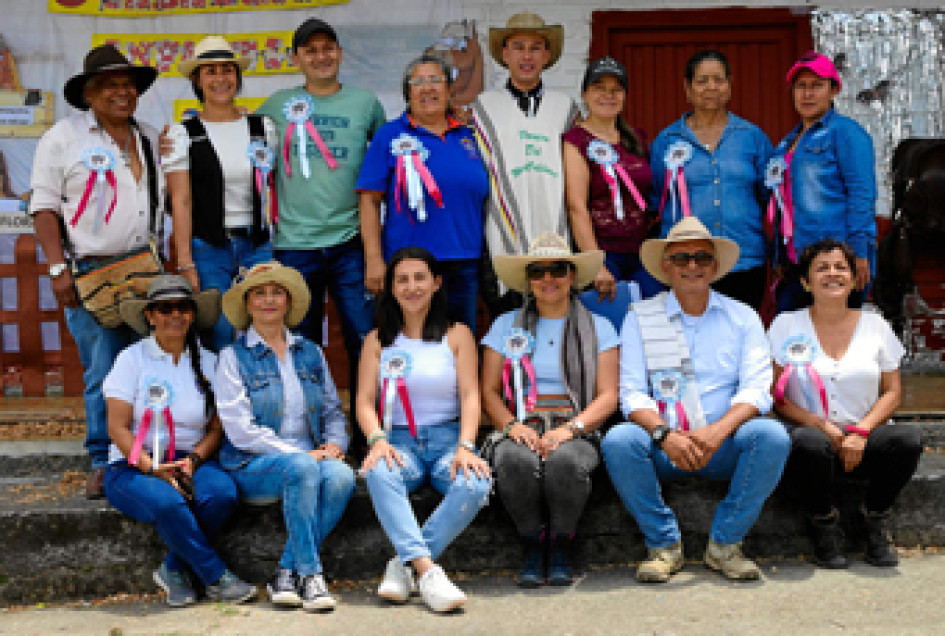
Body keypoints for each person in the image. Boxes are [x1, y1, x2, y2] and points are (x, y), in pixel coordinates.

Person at [601, 216, 790, 583]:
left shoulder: (743, 317)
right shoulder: (640, 318)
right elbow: (632, 392)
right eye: (682, 257)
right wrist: (663, 435)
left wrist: (717, 432)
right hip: (664, 446)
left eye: (702, 257)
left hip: (723, 444)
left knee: (773, 437)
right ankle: (663, 546)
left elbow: (757, 388)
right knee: (619, 440)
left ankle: (725, 545)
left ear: (715, 267)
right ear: (666, 266)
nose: (692, 266)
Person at [29, 45, 164, 498]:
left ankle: (148, 452)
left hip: (144, 271)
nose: (122, 93)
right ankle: (103, 458)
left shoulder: (148, 136)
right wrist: (55, 268)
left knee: (147, 365)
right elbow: (44, 207)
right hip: (89, 273)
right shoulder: (62, 138)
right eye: (110, 85)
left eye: (128, 85)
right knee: (103, 369)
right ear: (89, 93)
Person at [257, 18, 387, 457]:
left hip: (352, 241)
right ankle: (310, 437)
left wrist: (375, 251)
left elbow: (386, 164)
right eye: (310, 50)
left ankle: (370, 434)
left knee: (363, 338)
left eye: (328, 47)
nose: (321, 56)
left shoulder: (365, 104)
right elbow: (247, 151)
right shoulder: (276, 105)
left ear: (340, 53)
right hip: (294, 243)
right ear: (296, 59)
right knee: (300, 345)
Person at [768, 239, 922, 568]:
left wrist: (861, 431)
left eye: (841, 267)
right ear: (806, 282)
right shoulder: (785, 325)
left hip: (864, 439)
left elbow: (892, 392)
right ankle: (823, 523)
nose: (833, 274)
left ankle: (874, 518)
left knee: (908, 439)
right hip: (811, 443)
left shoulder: (876, 325)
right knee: (808, 443)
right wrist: (822, 425)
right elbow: (774, 396)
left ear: (854, 279)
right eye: (822, 268)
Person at [103, 275, 256, 607]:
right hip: (132, 464)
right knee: (167, 501)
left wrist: (194, 461)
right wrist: (153, 467)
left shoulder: (212, 362)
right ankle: (216, 577)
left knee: (222, 494)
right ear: (150, 316)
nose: (175, 315)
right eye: (165, 308)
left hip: (190, 460)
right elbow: (116, 428)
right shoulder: (131, 359)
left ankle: (174, 569)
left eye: (183, 308)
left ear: (193, 314)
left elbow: (217, 428)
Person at [356, 247, 491, 613]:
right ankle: (429, 573)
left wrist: (466, 445)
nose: (412, 287)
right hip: (398, 441)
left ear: (436, 283)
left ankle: (404, 566)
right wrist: (378, 441)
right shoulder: (376, 341)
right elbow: (365, 402)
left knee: (476, 483)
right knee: (378, 470)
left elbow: (470, 396)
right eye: (402, 279)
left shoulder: (457, 335)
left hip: (449, 439)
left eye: (420, 278)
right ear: (391, 288)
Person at [216, 262, 356, 611]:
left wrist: (336, 444)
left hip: (311, 460)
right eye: (259, 293)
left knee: (341, 477)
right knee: (301, 469)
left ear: (289, 301)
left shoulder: (310, 352)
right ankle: (311, 574)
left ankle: (285, 570)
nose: (268, 300)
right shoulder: (232, 357)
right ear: (247, 304)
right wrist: (302, 455)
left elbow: (332, 411)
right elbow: (240, 429)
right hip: (254, 465)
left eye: (277, 292)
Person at [481, 233, 619, 587]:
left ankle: (561, 542)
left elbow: (608, 396)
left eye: (557, 269)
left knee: (566, 462)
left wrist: (569, 430)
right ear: (528, 281)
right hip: (520, 422)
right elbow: (488, 391)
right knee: (514, 460)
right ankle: (531, 542)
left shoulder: (599, 328)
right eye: (538, 272)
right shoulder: (504, 326)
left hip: (575, 423)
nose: (548, 279)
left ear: (572, 276)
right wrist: (512, 427)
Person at [357, 55, 489, 332]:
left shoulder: (471, 134)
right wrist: (373, 259)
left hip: (465, 260)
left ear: (449, 89)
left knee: (461, 344)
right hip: (409, 267)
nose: (428, 88)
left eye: (435, 80)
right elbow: (369, 200)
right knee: (409, 346)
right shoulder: (389, 135)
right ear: (407, 93)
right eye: (418, 82)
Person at [165, 36, 278, 352]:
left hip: (257, 243)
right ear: (197, 80)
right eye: (210, 71)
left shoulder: (263, 127)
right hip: (208, 248)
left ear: (237, 77)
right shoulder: (181, 133)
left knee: (265, 325)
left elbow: (274, 185)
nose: (220, 79)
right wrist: (186, 261)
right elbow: (181, 200)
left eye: (227, 70)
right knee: (219, 330)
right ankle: (218, 400)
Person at [471, 12, 579, 316]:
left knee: (555, 326)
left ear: (547, 55)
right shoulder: (483, 107)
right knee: (509, 332)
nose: (527, 55)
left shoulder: (567, 108)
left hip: (556, 232)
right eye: (518, 46)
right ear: (505, 54)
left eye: (535, 47)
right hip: (501, 238)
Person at [649, 50, 773, 309]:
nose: (711, 87)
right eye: (702, 80)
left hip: (744, 259)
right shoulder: (667, 141)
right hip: (686, 263)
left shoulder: (752, 137)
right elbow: (659, 196)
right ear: (688, 88)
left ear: (729, 85)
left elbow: (767, 196)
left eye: (718, 79)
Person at [771, 52, 876, 313]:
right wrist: (780, 255)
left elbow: (861, 194)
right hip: (798, 264)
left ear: (833, 90)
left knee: (836, 341)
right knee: (795, 341)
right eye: (801, 86)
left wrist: (859, 253)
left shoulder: (847, 133)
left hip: (837, 262)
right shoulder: (787, 143)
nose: (808, 94)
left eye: (817, 86)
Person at [563, 56, 659, 301]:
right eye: (599, 88)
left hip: (642, 253)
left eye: (616, 89)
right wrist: (595, 263)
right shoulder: (576, 141)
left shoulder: (636, 138)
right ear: (584, 94)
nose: (609, 95)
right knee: (609, 327)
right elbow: (577, 207)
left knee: (653, 322)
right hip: (604, 253)